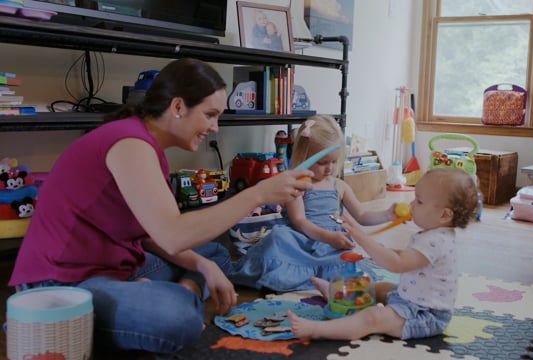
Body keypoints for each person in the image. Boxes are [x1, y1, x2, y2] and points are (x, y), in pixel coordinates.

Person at [7, 58, 313, 356]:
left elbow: (151, 233)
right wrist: (258, 195)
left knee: (213, 255)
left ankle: (170, 291)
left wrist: (203, 266)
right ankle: (179, 296)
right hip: (62, 285)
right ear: (178, 107)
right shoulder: (130, 143)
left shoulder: (146, 145)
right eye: (210, 115)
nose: (215, 127)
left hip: (118, 265)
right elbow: (172, 236)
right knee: (176, 317)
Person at [288, 168, 480, 341]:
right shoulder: (435, 233)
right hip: (410, 299)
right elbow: (407, 256)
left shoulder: (436, 240)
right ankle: (334, 293)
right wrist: (378, 248)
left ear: (445, 215)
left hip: (424, 315)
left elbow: (397, 264)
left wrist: (361, 237)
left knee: (372, 318)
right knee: (377, 288)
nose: (412, 205)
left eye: (419, 202)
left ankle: (317, 330)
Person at [228, 115, 398, 292]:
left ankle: (325, 283)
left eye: (334, 161)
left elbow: (362, 215)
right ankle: (300, 277)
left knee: (349, 265)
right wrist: (328, 237)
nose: (330, 168)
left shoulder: (340, 186)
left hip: (332, 246)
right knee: (278, 238)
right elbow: (300, 222)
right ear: (304, 157)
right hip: (302, 242)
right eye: (323, 162)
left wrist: (386, 215)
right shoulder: (297, 185)